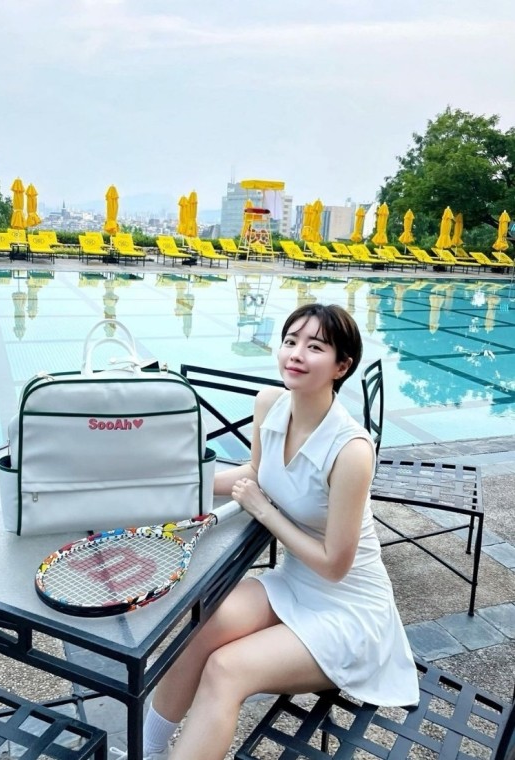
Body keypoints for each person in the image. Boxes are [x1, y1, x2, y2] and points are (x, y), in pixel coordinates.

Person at [110, 303, 419, 760]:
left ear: (341, 366)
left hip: (349, 611)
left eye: (315, 347)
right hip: (293, 583)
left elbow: (335, 565)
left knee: (226, 669)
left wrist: (265, 512)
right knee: (198, 628)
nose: (296, 353)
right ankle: (149, 751)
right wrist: (179, 481)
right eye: (291, 341)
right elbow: (256, 472)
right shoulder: (269, 404)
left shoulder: (351, 450)